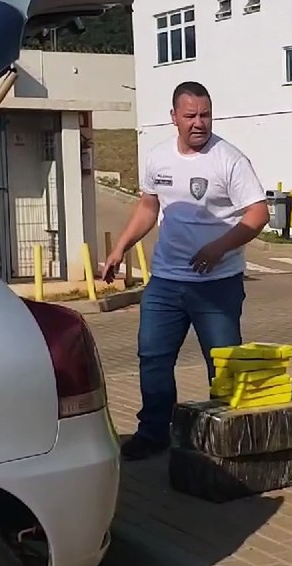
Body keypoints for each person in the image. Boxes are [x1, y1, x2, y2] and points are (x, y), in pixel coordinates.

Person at [101, 81, 270, 461]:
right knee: (154, 357)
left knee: (223, 363)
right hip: (165, 282)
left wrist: (220, 247)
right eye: (190, 115)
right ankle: (154, 433)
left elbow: (258, 213)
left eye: (205, 115)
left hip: (217, 285)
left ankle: (227, 435)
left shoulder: (229, 159)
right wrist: (121, 246)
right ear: (174, 117)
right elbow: (148, 207)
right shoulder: (159, 157)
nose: (199, 123)